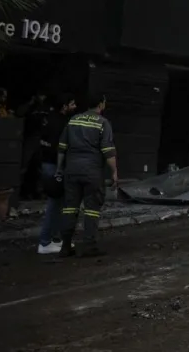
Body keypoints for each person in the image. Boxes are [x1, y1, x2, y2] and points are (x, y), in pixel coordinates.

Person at [56, 94, 117, 257]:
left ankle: (65, 247)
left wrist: (59, 168)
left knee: (69, 208)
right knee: (92, 209)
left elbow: (62, 147)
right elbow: (108, 151)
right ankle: (89, 246)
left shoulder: (73, 120)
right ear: (101, 104)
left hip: (71, 170)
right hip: (92, 172)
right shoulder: (103, 123)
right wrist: (115, 172)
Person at [37, 94, 76, 255]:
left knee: (59, 204)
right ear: (64, 106)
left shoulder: (48, 119)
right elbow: (60, 149)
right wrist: (62, 169)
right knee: (55, 206)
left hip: (46, 165)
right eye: (72, 104)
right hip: (55, 167)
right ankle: (45, 242)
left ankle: (55, 240)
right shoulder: (61, 123)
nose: (74, 107)